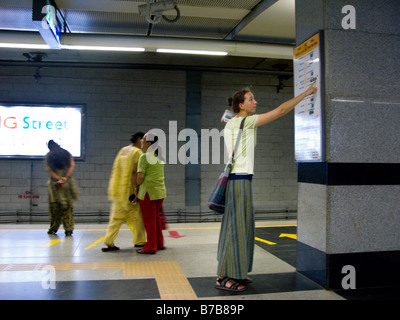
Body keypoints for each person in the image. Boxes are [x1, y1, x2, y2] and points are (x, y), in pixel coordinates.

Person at [215, 81, 318, 292]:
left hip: (239, 179)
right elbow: (281, 110)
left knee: (240, 228)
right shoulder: (245, 122)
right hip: (239, 181)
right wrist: (308, 92)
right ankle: (224, 277)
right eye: (251, 99)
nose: (255, 102)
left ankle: (236, 272)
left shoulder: (232, 123)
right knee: (236, 229)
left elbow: (229, 154)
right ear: (241, 105)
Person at [102, 132, 147, 252]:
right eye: (143, 140)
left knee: (116, 218)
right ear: (138, 139)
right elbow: (136, 173)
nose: (144, 143)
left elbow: (116, 170)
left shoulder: (123, 150)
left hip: (118, 190)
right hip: (130, 190)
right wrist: (136, 190)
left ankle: (109, 241)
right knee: (137, 217)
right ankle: (140, 241)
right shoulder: (137, 152)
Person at [136, 131, 167, 254]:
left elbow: (140, 177)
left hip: (148, 192)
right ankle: (159, 243)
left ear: (149, 143)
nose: (141, 142)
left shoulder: (144, 157)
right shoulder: (159, 156)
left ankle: (150, 247)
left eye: (143, 140)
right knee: (156, 219)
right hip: (160, 192)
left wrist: (135, 187)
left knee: (149, 220)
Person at [45, 140, 79, 236]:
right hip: (67, 183)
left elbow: (48, 169)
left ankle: (53, 228)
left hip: (54, 184)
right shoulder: (66, 153)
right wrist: (65, 178)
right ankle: (68, 229)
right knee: (67, 207)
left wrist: (58, 179)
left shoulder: (49, 155)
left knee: (54, 208)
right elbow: (72, 165)